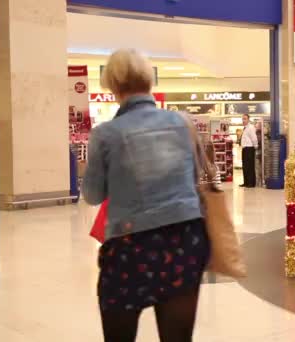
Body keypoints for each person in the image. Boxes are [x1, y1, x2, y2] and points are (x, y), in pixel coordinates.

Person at [82, 49, 210, 342]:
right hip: (185, 242)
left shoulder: (106, 134)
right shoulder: (183, 124)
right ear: (149, 81)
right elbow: (193, 178)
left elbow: (92, 194)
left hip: (131, 248)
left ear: (112, 85)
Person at [240, 114, 258, 188]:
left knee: (250, 166)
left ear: (248, 119)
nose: (243, 120)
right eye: (242, 119)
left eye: (245, 119)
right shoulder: (245, 128)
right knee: (245, 166)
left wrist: (255, 146)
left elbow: (254, 138)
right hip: (245, 149)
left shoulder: (251, 128)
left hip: (249, 149)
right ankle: (246, 182)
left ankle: (251, 183)